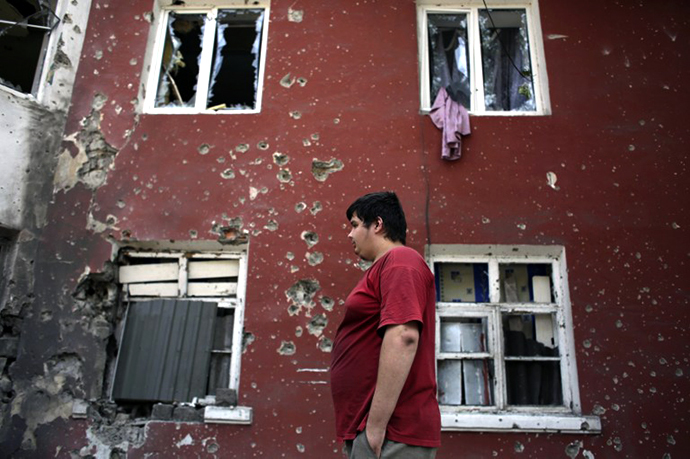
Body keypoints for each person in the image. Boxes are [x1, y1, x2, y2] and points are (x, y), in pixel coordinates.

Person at [330, 191, 441, 459]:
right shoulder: (388, 267)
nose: (350, 234)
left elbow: (403, 336)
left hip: (392, 431)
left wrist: (376, 427)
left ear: (377, 224)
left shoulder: (401, 260)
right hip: (374, 429)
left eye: (355, 225)